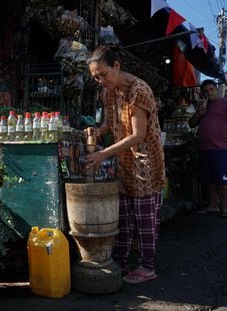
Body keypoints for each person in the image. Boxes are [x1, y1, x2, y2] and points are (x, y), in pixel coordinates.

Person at [84, 46, 165, 284]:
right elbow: (110, 123)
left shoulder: (138, 91)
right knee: (125, 216)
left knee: (144, 218)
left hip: (145, 163)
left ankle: (147, 267)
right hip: (125, 161)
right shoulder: (109, 92)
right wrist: (97, 132)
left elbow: (138, 135)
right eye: (95, 77)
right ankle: (121, 262)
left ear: (117, 66)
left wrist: (103, 154)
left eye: (103, 74)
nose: (100, 80)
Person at [189, 79, 227, 218]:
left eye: (211, 89)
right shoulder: (203, 106)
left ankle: (225, 208)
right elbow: (191, 124)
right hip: (205, 148)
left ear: (216, 89)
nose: (209, 93)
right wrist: (199, 113)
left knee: (224, 180)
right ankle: (213, 206)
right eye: (206, 91)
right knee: (209, 180)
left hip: (222, 148)